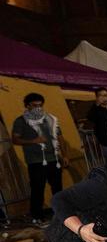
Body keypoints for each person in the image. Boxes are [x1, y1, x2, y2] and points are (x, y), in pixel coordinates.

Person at [12, 92, 70, 227]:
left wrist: (65, 155)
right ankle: (37, 217)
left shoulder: (50, 119)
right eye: (34, 106)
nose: (38, 108)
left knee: (58, 188)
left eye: (40, 105)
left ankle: (61, 215)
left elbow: (60, 138)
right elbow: (15, 139)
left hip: (53, 159)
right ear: (27, 106)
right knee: (38, 189)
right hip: (36, 161)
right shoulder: (21, 121)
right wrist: (33, 140)